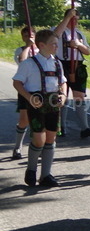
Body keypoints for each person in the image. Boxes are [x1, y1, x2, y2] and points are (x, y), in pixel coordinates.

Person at [12, 29, 66, 187]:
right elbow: (17, 83)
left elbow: (62, 81)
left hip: (53, 103)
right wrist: (29, 98)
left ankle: (46, 175)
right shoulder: (29, 63)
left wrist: (63, 95)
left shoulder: (57, 62)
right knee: (39, 139)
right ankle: (31, 170)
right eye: (53, 44)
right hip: (36, 103)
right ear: (41, 45)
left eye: (57, 44)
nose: (56, 47)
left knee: (51, 137)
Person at [54, 8, 90, 138]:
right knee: (63, 98)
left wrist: (78, 44)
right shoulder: (58, 30)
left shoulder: (79, 34)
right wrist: (67, 18)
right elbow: (55, 35)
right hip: (62, 65)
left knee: (79, 98)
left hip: (78, 66)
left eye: (76, 19)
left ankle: (85, 128)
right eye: (72, 19)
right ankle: (62, 127)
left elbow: (87, 51)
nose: (75, 22)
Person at [11, 26, 38, 160]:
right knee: (24, 120)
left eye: (31, 35)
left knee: (39, 120)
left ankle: (38, 146)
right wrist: (28, 46)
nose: (29, 38)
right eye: (26, 36)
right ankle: (17, 146)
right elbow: (22, 61)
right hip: (25, 89)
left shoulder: (41, 50)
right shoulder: (21, 50)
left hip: (39, 90)